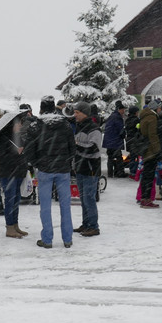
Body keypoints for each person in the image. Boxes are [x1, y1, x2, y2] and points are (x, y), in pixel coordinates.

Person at [24, 95, 76, 248]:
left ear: (41, 108)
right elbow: (72, 148)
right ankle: (67, 239)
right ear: (53, 108)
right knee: (65, 205)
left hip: (45, 170)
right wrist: (66, 161)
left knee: (45, 206)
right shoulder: (65, 125)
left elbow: (29, 150)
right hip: (63, 170)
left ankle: (47, 239)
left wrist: (37, 163)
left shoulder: (35, 126)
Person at [0, 113, 30, 239]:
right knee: (10, 200)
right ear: (12, 125)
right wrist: (16, 153)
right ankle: (9, 227)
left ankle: (15, 225)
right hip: (8, 173)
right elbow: (2, 158)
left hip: (18, 172)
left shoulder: (17, 136)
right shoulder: (3, 138)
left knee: (16, 201)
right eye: (18, 123)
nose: (20, 126)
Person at [72, 101, 102, 237]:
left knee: (89, 198)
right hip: (80, 167)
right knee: (83, 198)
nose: (75, 115)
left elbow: (93, 148)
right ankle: (86, 224)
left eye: (77, 112)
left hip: (90, 168)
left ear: (85, 113)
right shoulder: (79, 127)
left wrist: (76, 145)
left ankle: (93, 226)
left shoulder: (94, 129)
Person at [136, 100, 162, 208]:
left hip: (146, 149)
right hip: (150, 150)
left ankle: (143, 197)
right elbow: (153, 134)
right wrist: (157, 149)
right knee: (149, 175)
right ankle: (146, 199)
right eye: (160, 107)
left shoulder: (145, 116)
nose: (161, 109)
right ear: (156, 108)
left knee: (146, 174)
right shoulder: (152, 118)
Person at [103, 100, 126, 178]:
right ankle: (119, 172)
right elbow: (121, 130)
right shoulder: (118, 117)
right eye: (123, 110)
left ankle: (110, 173)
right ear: (119, 109)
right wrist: (123, 135)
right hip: (115, 141)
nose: (124, 111)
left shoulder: (112, 116)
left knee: (110, 157)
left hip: (109, 141)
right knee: (119, 157)